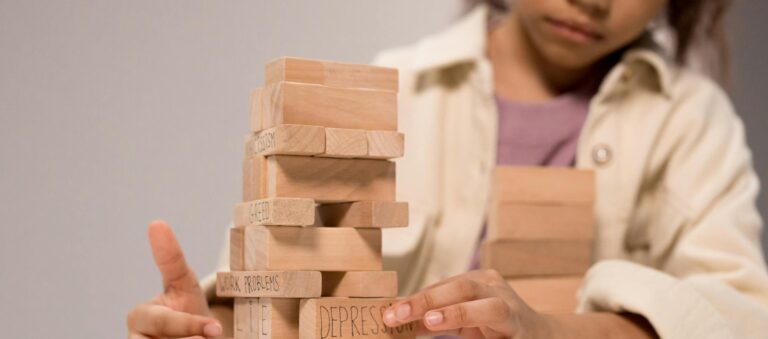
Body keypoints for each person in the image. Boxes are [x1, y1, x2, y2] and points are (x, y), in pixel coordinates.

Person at [127, 0, 768, 338]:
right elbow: (286, 283)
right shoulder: (392, 88)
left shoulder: (690, 119)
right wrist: (218, 327)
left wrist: (552, 331)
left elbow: (741, 316)